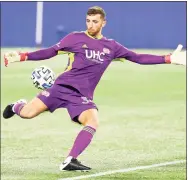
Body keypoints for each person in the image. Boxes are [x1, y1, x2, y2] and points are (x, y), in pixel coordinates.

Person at [3, 6, 186, 171]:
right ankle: (16, 106)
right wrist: (22, 56)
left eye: (95, 21)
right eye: (88, 21)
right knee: (27, 113)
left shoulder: (112, 47)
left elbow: (137, 57)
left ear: (103, 23)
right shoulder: (75, 38)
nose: (91, 25)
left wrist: (168, 59)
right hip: (60, 87)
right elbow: (49, 51)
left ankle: (70, 160)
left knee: (92, 121)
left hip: (81, 96)